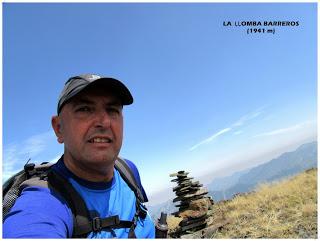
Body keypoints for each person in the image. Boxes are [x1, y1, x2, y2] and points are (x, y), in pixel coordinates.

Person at [3, 74, 155, 238]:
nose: (104, 122)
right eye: (85, 109)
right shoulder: (44, 201)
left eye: (112, 110)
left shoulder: (128, 170)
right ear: (59, 128)